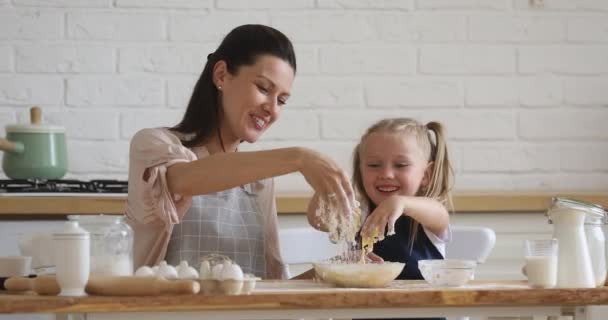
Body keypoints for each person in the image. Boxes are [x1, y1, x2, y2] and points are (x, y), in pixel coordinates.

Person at [125, 24, 355, 280]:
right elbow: (182, 180)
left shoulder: (260, 180)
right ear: (221, 75)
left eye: (282, 100)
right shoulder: (154, 145)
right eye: (264, 88)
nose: (272, 109)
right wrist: (300, 158)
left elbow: (272, 286)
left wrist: (338, 270)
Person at [352, 118, 454, 320]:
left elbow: (440, 214)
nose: (386, 174)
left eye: (400, 165)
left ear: (426, 174)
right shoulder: (359, 213)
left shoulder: (427, 218)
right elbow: (317, 218)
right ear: (360, 170)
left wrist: (401, 203)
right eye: (373, 165)